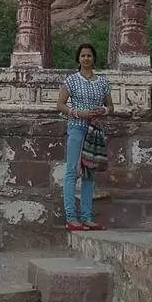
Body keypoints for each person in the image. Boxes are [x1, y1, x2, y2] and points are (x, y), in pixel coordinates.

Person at [56, 43, 114, 231]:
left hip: (94, 131)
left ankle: (87, 217)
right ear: (78, 59)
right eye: (83, 56)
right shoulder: (72, 80)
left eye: (89, 55)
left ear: (94, 58)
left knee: (90, 173)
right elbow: (60, 104)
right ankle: (71, 217)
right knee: (72, 172)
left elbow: (111, 107)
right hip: (76, 127)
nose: (86, 58)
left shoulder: (103, 82)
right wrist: (77, 112)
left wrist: (103, 110)